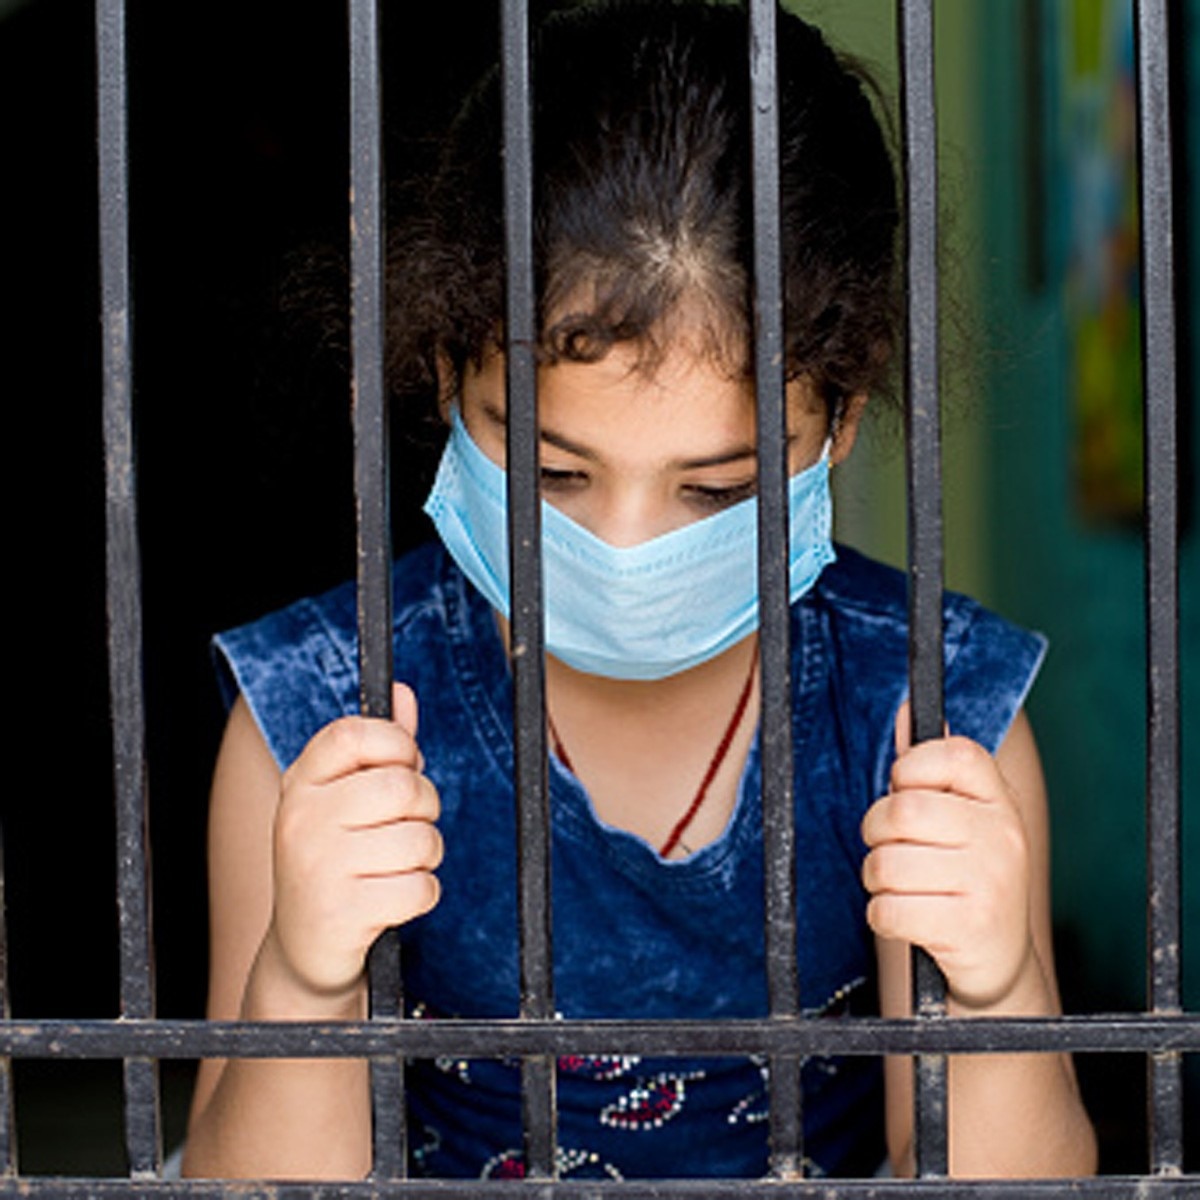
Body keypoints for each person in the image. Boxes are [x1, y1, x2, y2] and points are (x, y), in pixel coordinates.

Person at [182, 0, 1097, 1180]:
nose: (620, 546)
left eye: (715, 492)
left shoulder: (927, 716)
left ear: (844, 422)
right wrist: (303, 979)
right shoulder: (314, 721)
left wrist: (1000, 989)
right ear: (445, 377)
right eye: (554, 470)